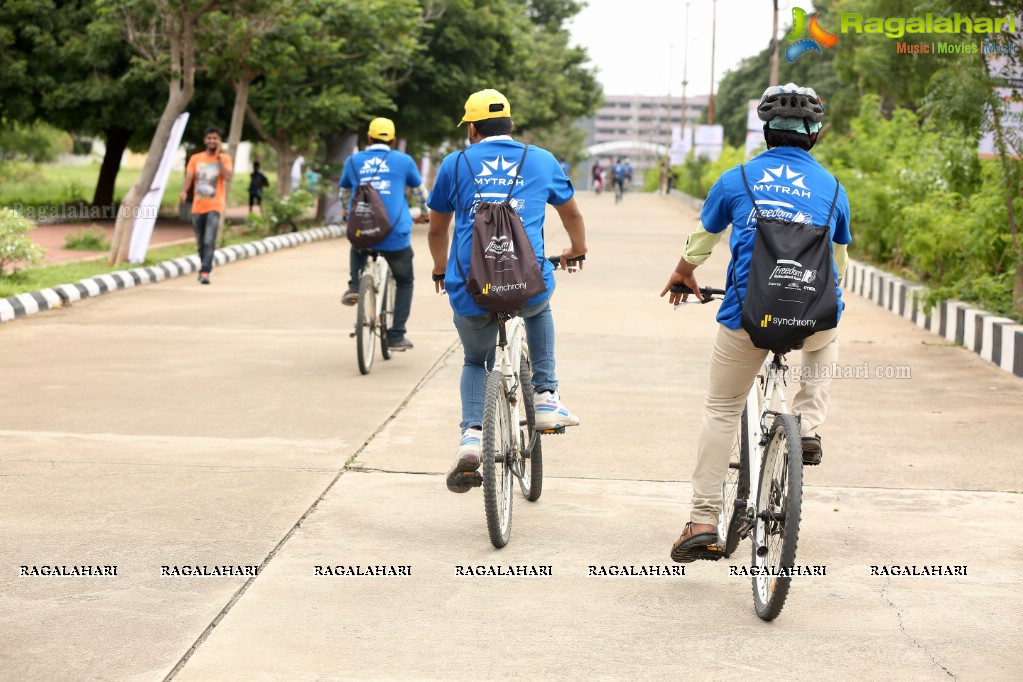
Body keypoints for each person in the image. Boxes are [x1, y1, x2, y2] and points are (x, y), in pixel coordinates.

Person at [660, 83, 851, 562]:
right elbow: (840, 266)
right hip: (811, 314)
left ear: (765, 131)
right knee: (829, 323)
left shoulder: (736, 179)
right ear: (817, 134)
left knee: (723, 408)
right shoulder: (833, 189)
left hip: (748, 315)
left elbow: (702, 241)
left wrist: (684, 275)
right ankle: (806, 424)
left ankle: (703, 520)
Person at [427, 88, 588, 494]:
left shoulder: (455, 163)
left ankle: (470, 437)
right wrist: (576, 250)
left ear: (474, 129)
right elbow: (571, 213)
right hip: (527, 280)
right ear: (511, 125)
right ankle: (547, 396)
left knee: (475, 360)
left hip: (470, 285)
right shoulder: (542, 160)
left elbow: (437, 227)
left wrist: (440, 268)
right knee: (537, 309)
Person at [338, 117, 428, 351]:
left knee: (357, 240)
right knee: (405, 280)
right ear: (393, 141)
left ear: (368, 138)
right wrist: (426, 213)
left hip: (364, 228)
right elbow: (420, 193)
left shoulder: (354, 161)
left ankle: (355, 284)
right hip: (395, 233)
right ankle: (396, 335)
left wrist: (347, 213)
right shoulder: (404, 161)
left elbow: (344, 192)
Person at [179, 126, 233, 285]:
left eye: (215, 138)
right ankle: (204, 265)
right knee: (201, 241)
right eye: (209, 138)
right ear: (205, 140)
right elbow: (189, 177)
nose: (212, 141)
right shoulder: (196, 158)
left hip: (215, 205)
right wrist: (183, 191)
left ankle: (204, 271)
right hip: (198, 205)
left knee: (210, 240)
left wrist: (219, 159)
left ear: (219, 141)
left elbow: (228, 176)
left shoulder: (225, 158)